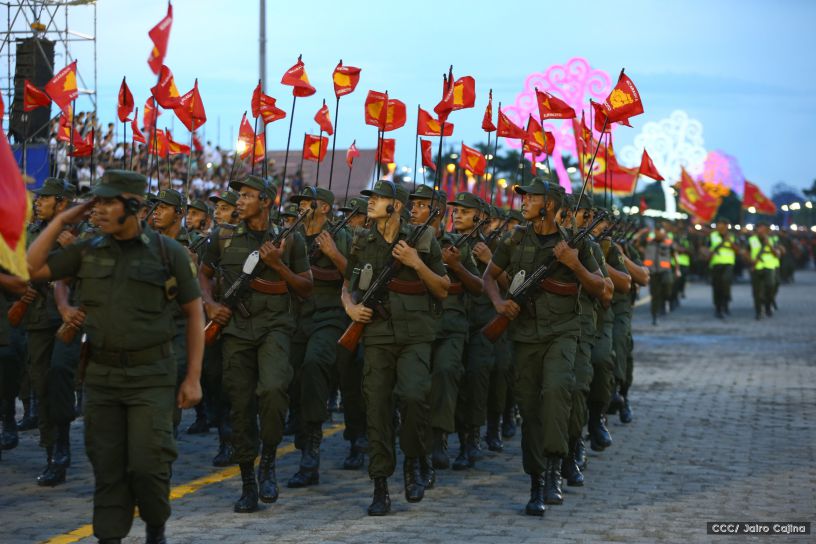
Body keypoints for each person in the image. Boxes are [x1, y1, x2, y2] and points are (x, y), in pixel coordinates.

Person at [26, 169, 204, 544]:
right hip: (102, 377)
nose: (99, 210)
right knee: (107, 468)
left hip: (152, 377)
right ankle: (110, 538)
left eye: (108, 202)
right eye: (97, 202)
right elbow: (33, 267)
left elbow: (193, 313)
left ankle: (156, 525)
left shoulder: (167, 252)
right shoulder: (87, 250)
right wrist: (60, 218)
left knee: (147, 465)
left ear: (135, 206)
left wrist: (192, 377)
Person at [482, 178, 605, 516]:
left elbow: (604, 290)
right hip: (524, 337)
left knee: (556, 393)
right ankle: (536, 480)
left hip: (563, 334)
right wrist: (498, 303)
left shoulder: (579, 244)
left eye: (531, 197)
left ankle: (553, 473)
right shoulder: (515, 239)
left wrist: (574, 263)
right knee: (531, 410)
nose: (522, 201)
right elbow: (489, 277)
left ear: (549, 204)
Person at [199, 175, 312, 513]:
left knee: (275, 390)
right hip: (235, 331)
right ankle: (248, 479)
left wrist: (278, 265)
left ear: (265, 201)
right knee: (240, 404)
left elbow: (306, 287)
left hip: (275, 327)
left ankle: (270, 462)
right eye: (239, 196)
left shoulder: (290, 241)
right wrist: (209, 303)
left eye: (247, 196)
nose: (239, 201)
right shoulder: (223, 236)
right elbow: (203, 273)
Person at [341, 180, 449, 516]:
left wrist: (417, 263)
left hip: (416, 333)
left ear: (396, 206)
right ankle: (380, 484)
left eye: (377, 198)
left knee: (415, 396)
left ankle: (414, 462)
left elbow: (443, 288)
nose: (370, 203)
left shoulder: (423, 239)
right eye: (370, 198)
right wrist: (349, 309)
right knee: (376, 406)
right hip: (377, 333)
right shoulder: (362, 240)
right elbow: (348, 285)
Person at [286, 185, 358, 488]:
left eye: (308, 202)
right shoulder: (290, 236)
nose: (302, 206)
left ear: (325, 208)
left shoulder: (341, 235)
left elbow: (356, 276)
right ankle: (302, 436)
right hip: (295, 317)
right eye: (300, 202)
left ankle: (311, 451)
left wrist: (333, 254)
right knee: (292, 377)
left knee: (315, 366)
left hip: (329, 316)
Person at [26, 178, 77, 486]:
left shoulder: (81, 234)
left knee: (59, 378)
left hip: (69, 317)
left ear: (61, 203)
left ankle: (62, 446)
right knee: (41, 383)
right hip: (38, 317)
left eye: (44, 199)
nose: (37, 202)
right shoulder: (31, 233)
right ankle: (51, 452)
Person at [639, 223, 676, 325]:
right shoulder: (648, 242)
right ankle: (655, 316)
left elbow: (674, 254)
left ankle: (666, 302)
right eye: (656, 232)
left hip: (665, 271)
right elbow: (637, 245)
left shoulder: (668, 243)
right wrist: (640, 234)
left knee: (667, 289)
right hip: (653, 272)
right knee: (655, 295)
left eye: (660, 232)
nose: (658, 234)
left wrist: (677, 269)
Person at [746, 222, 781, 320]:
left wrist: (769, 244)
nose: (761, 231)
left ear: (767, 230)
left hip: (769, 266)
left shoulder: (773, 240)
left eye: (764, 229)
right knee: (756, 291)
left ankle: (768, 305)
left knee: (770, 285)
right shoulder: (751, 240)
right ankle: (758, 312)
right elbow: (746, 252)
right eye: (759, 228)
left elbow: (777, 253)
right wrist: (750, 261)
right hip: (756, 267)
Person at [706, 217, 737, 318]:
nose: (720, 227)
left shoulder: (732, 236)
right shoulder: (712, 236)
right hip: (716, 264)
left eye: (722, 225)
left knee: (725, 283)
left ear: (727, 227)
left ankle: (726, 304)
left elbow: (738, 249)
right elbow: (706, 248)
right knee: (717, 287)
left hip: (728, 264)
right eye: (718, 225)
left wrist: (730, 242)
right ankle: (718, 308)